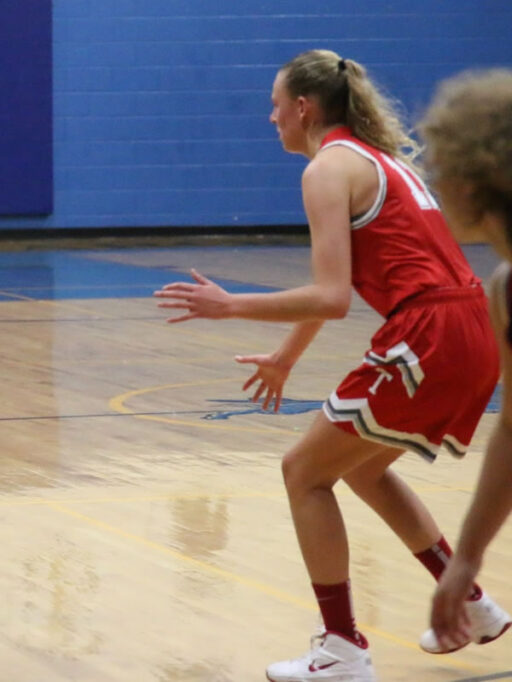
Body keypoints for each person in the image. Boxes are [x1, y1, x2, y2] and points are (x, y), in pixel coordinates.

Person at [154, 49, 511, 681]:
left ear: (303, 107)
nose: (270, 119)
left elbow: (331, 296)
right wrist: (286, 357)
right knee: (365, 469)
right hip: (474, 325)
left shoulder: (327, 169)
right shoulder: (379, 160)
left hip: (428, 330)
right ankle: (476, 606)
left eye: (274, 105)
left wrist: (229, 304)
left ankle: (342, 647)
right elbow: (337, 284)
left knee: (303, 473)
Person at [418, 68, 512, 654]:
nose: (432, 182)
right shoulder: (503, 289)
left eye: (437, 167)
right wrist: (466, 559)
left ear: (473, 182)